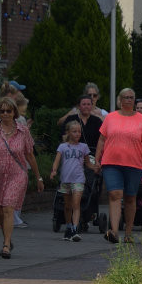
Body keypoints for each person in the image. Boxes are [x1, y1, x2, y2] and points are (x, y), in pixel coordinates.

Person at [0, 97, 43, 257]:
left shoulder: (23, 131)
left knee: (8, 208)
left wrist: (38, 178)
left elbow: (30, 155)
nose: (5, 114)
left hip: (17, 174)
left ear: (14, 113)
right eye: (2, 111)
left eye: (9, 111)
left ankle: (6, 245)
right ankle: (7, 238)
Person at [95, 87, 142, 244]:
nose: (129, 100)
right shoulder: (111, 117)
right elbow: (102, 139)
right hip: (111, 162)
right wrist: (97, 158)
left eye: (131, 97)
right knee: (115, 194)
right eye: (126, 97)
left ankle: (128, 232)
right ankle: (114, 231)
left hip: (134, 163)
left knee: (130, 197)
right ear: (120, 100)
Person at [59, 93, 104, 231]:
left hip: (90, 154)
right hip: (73, 155)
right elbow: (63, 136)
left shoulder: (97, 121)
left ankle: (89, 212)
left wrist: (97, 160)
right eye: (83, 104)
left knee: (93, 181)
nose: (86, 106)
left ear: (92, 106)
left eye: (88, 104)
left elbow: (101, 141)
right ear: (79, 106)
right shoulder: (72, 119)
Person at [51, 119, 93, 241]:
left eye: (79, 131)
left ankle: (75, 229)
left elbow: (88, 163)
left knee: (76, 204)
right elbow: (57, 161)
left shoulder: (84, 147)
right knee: (68, 206)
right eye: (74, 131)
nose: (77, 134)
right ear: (68, 132)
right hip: (65, 180)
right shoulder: (63, 147)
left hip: (79, 179)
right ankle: (68, 227)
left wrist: (96, 167)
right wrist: (53, 171)